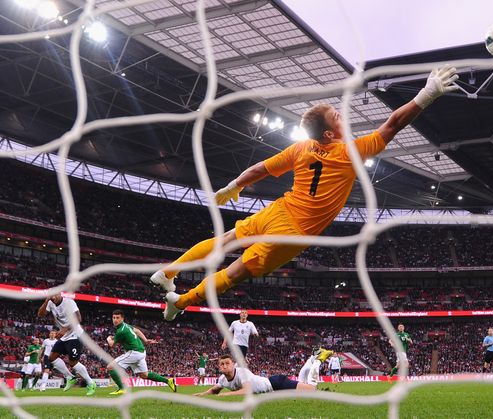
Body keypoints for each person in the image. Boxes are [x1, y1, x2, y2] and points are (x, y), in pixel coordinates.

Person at [149, 66, 459, 320]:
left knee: (227, 239)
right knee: (235, 271)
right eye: (337, 117)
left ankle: (169, 271)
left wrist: (233, 186)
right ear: (329, 133)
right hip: (292, 231)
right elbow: (393, 124)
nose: (341, 116)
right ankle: (181, 302)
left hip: (278, 210)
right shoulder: (349, 152)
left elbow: (259, 169)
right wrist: (427, 94)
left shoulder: (301, 148)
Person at [193, 351, 333, 397]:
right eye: (221, 364)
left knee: (312, 390)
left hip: (277, 384)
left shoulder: (242, 372)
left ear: (233, 364)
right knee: (305, 386)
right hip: (273, 385)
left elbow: (247, 390)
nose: (224, 366)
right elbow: (214, 390)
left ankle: (318, 361)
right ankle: (312, 357)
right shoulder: (223, 379)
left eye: (227, 363)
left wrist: (226, 395)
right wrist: (201, 395)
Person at [106, 309, 177, 395]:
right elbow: (137, 331)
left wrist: (108, 338)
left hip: (134, 352)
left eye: (117, 318)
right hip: (141, 352)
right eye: (113, 318)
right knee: (144, 375)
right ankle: (168, 381)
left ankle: (122, 388)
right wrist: (146, 340)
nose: (115, 320)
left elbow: (112, 345)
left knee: (110, 367)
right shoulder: (126, 326)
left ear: (122, 319)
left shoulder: (121, 330)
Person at [37, 294, 96, 395]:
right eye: (51, 296)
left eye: (55, 295)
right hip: (64, 337)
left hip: (75, 334)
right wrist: (46, 301)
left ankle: (91, 383)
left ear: (60, 294)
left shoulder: (69, 302)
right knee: (51, 358)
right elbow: (40, 314)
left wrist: (65, 329)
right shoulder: (50, 303)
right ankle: (70, 377)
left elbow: (78, 318)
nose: (53, 298)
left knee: (73, 363)